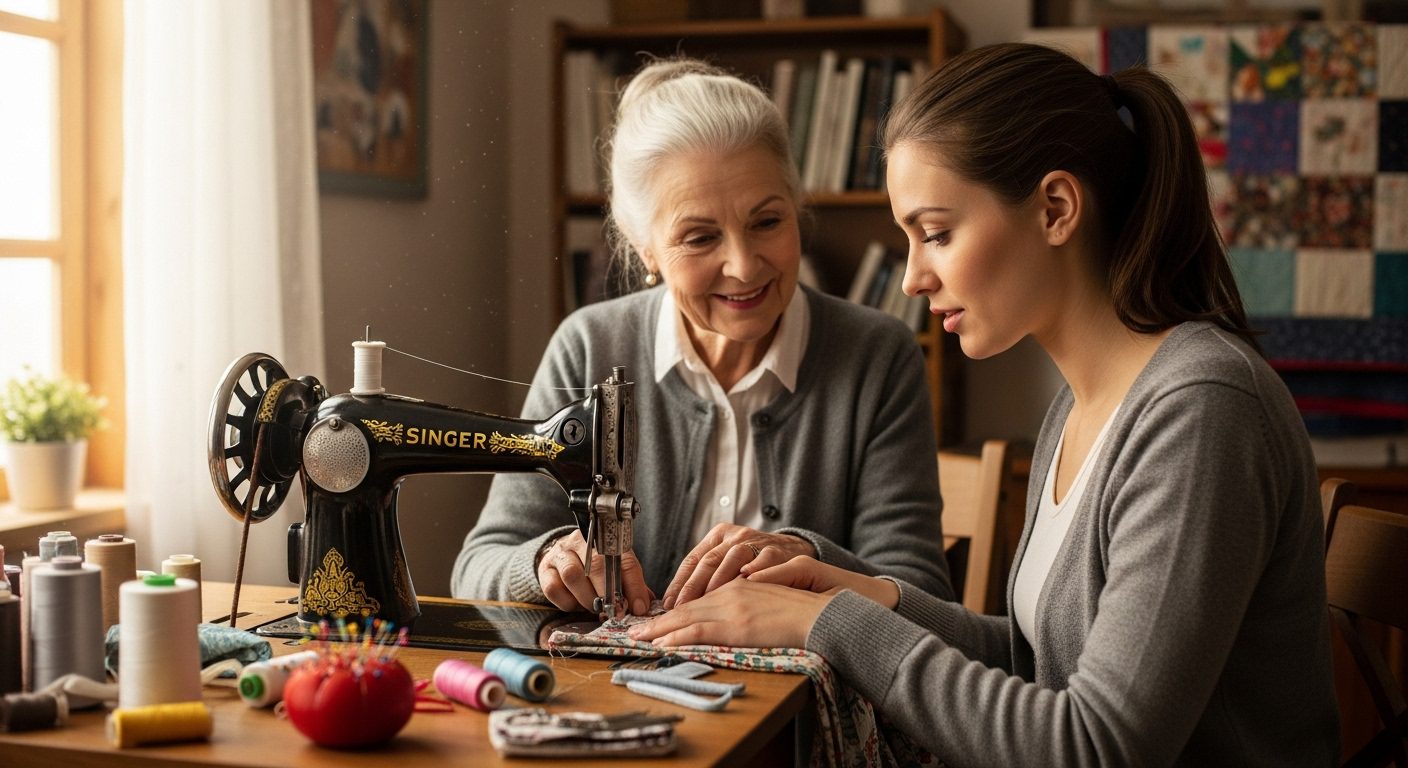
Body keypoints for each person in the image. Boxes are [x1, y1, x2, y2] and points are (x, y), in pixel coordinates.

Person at [629, 43, 1341, 765]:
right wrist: (848, 585)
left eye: (936, 234)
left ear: (1056, 209)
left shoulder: (1200, 410)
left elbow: (1094, 746)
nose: (911, 278)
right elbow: (1036, 663)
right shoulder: (1079, 409)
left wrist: (829, 623)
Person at [451, 58, 953, 616]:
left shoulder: (879, 355)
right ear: (646, 249)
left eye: (767, 222)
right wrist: (547, 560)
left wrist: (808, 557)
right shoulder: (588, 346)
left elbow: (922, 593)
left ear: (796, 207)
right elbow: (479, 565)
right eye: (699, 237)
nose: (743, 265)